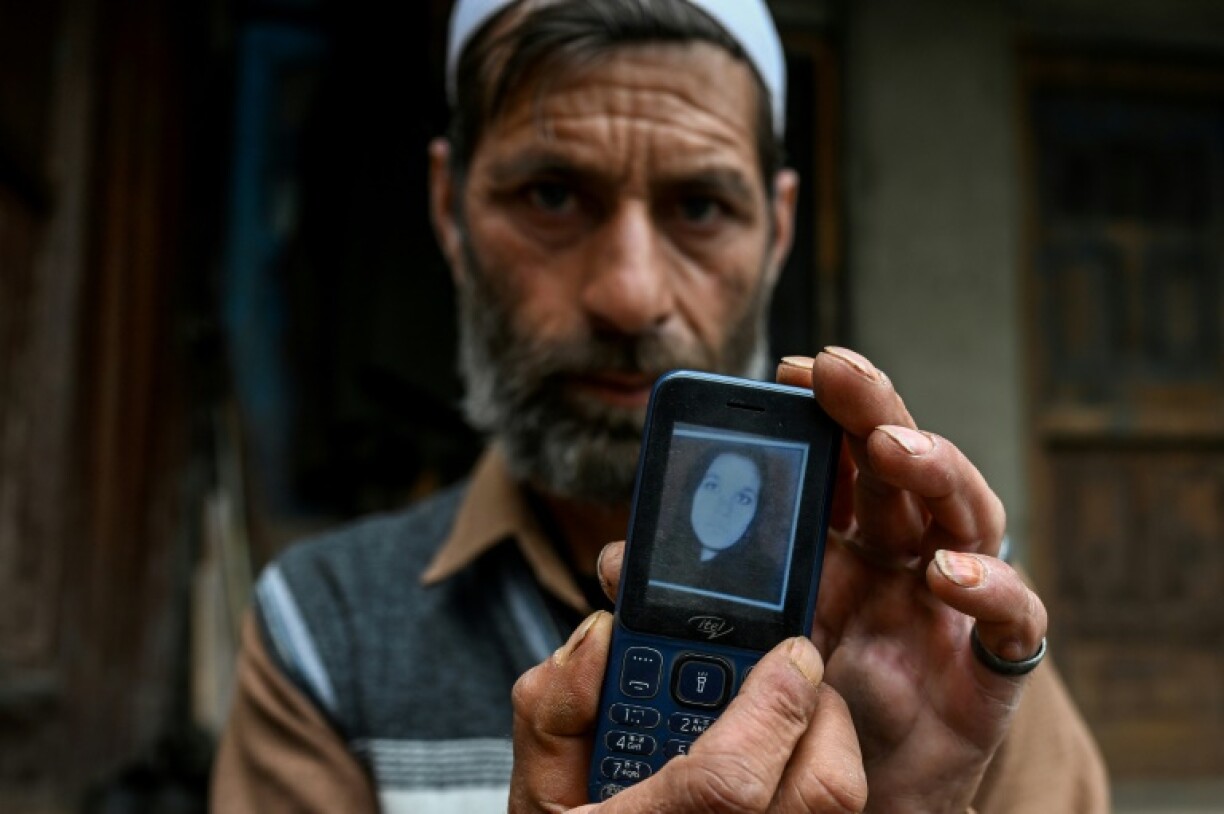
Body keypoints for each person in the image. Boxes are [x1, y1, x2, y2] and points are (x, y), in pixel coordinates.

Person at [211, 0, 1111, 811]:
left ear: (778, 230)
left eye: (700, 206)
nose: (631, 295)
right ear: (449, 208)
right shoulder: (320, 630)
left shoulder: (938, 621)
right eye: (552, 195)